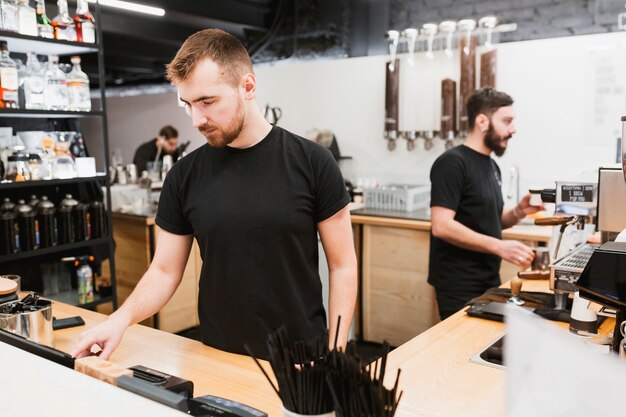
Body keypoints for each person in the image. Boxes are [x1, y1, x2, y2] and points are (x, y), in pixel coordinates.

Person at [72, 29, 358, 360]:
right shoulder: (184, 175)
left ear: (248, 87)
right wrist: (119, 320)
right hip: (216, 354)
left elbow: (342, 265)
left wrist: (334, 353)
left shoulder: (312, 162)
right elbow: (164, 271)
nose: (197, 120)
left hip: (299, 360)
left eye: (208, 102)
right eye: (188, 104)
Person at [428, 88, 543, 320]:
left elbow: (491, 219)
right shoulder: (452, 163)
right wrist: (500, 247)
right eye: (507, 121)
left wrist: (519, 211)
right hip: (458, 284)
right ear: (482, 121)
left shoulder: (491, 166)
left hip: (488, 278)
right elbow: (441, 225)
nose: (513, 129)